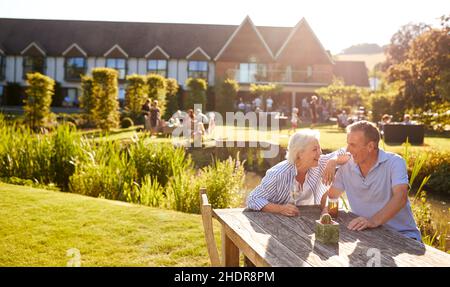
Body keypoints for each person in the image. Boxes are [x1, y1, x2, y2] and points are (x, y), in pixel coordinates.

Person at [321, 121, 421, 241]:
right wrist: (327, 215)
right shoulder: (346, 166)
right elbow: (332, 197)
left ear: (370, 146)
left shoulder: (394, 162)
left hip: (402, 236)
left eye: (353, 145)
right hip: (367, 235)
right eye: (348, 144)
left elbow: (401, 197)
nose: (347, 150)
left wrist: (373, 221)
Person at [246, 129, 350, 216]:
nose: (320, 152)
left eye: (319, 148)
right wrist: (280, 209)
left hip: (311, 219)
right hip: (279, 225)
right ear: (299, 153)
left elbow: (349, 153)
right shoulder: (278, 174)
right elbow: (253, 199)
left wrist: (333, 161)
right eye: (315, 149)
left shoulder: (321, 162)